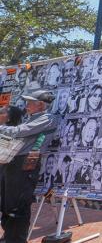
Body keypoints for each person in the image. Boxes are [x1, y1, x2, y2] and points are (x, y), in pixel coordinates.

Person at [0, 90, 56, 243]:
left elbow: (21, 131)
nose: (27, 105)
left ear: (41, 105)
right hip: (12, 164)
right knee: (6, 203)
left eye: (30, 102)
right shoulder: (31, 118)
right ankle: (9, 236)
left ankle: (16, 239)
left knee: (18, 205)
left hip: (25, 166)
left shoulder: (47, 118)